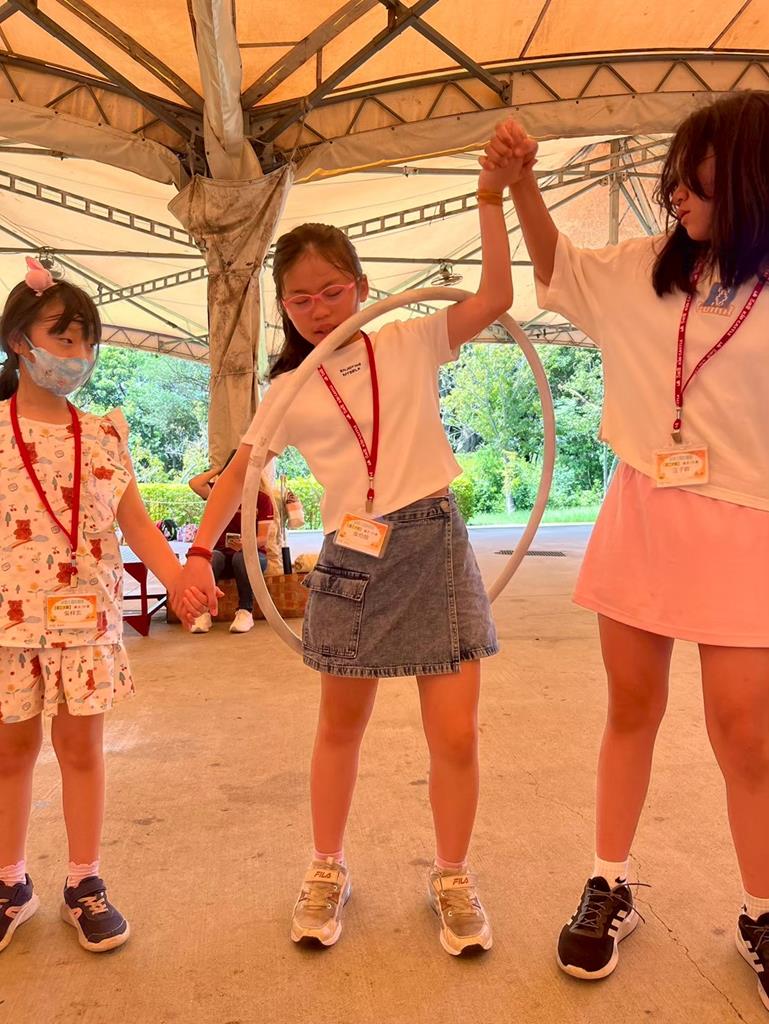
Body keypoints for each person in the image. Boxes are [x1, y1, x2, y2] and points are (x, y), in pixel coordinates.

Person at [176, 123, 524, 955]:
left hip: (432, 540)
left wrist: (490, 197)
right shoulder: (289, 388)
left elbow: (495, 298)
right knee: (339, 727)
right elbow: (239, 472)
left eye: (332, 290)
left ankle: (452, 875)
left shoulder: (409, 338)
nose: (318, 308)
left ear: (362, 287)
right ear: (283, 308)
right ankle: (325, 867)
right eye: (299, 299)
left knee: (455, 734)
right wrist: (194, 553)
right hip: (351, 559)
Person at [484, 91, 769, 1010]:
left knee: (746, 734)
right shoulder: (646, 266)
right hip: (645, 506)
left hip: (749, 522)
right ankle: (609, 881)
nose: (675, 194)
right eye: (673, 178)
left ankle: (762, 911)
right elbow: (554, 266)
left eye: (696, 179)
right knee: (631, 709)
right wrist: (520, 186)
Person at [0, 260, 183, 954]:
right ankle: (10, 883)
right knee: (10, 752)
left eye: (87, 342)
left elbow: (136, 524)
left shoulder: (106, 435)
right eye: (63, 338)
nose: (77, 355)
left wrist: (181, 577)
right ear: (19, 341)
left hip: (87, 624)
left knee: (81, 750)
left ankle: (85, 881)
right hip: (8, 625)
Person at [188, 457, 275, 634]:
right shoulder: (219, 494)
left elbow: (263, 539)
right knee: (212, 557)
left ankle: (245, 612)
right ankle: (203, 613)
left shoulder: (262, 499)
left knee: (241, 558)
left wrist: (246, 543)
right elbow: (195, 483)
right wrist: (220, 469)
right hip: (222, 553)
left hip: (252, 555)